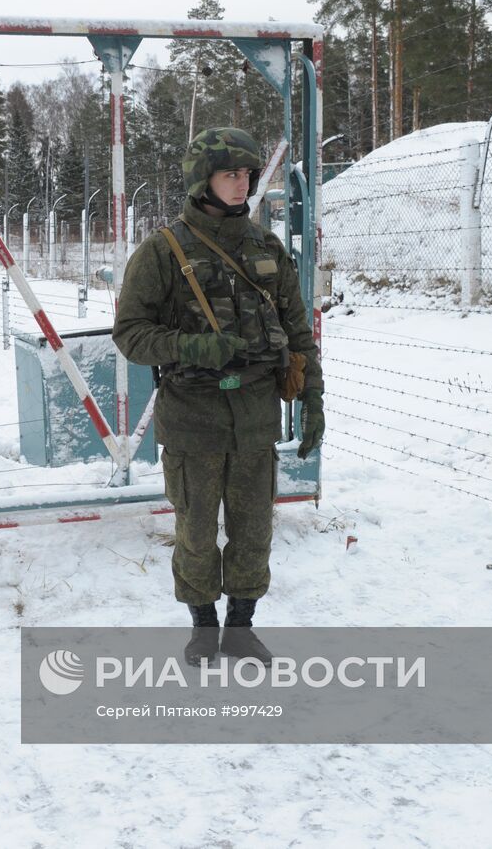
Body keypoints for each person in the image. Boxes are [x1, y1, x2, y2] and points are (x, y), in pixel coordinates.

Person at [112, 127, 324, 665]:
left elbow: (298, 333)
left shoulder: (265, 246)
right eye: (230, 174)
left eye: (248, 174)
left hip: (255, 415)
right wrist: (194, 346)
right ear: (201, 179)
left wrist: (313, 396)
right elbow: (130, 333)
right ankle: (203, 629)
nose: (241, 183)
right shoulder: (163, 251)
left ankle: (241, 628)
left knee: (254, 531)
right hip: (194, 417)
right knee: (197, 531)